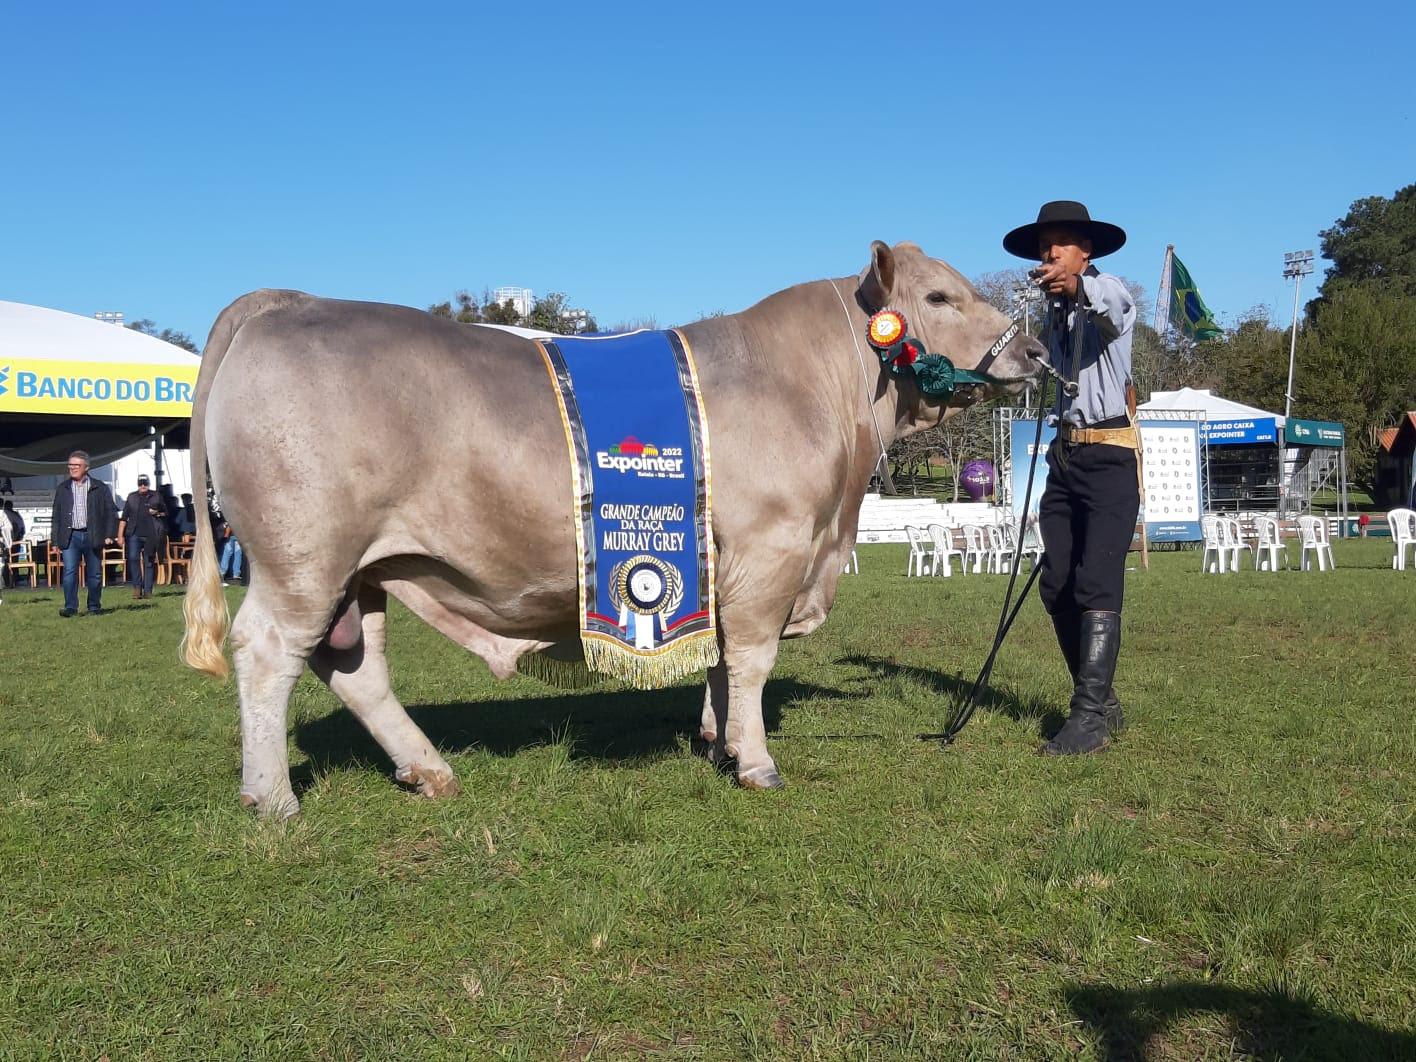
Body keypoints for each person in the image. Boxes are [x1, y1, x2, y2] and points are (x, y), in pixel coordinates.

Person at [1003, 200, 1138, 755]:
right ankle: (1102, 702)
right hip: (1066, 457)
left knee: (1096, 582)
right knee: (1056, 581)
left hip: (1110, 458)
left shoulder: (1113, 293)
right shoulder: (1053, 319)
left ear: (1087, 252)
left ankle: (1087, 719)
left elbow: (1105, 305)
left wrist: (1077, 283)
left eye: (1061, 245)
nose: (1049, 254)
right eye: (1044, 247)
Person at [50, 450, 119, 617]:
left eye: (76, 465)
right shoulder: (63, 488)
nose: (72, 468)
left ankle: (94, 606)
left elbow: (111, 512)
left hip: (93, 535)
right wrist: (55, 541)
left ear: (86, 467)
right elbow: (56, 516)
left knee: (94, 573)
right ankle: (70, 607)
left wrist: (109, 534)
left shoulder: (99, 487)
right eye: (70, 465)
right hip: (70, 536)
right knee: (69, 572)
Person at [117, 475, 167, 599]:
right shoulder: (132, 497)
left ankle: (148, 590)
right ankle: (137, 588)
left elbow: (166, 512)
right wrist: (120, 535)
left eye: (145, 483)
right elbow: (124, 517)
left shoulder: (156, 496)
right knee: (133, 558)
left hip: (152, 533)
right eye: (141, 483)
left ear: (148, 484)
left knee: (149, 561)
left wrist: (157, 513)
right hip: (134, 533)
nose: (143, 486)